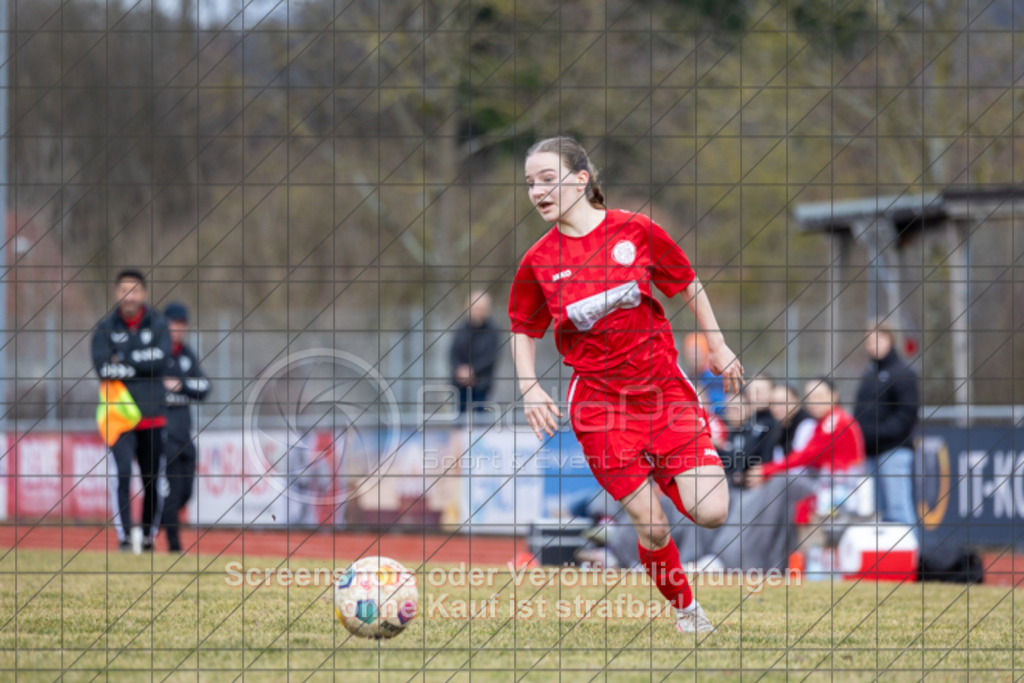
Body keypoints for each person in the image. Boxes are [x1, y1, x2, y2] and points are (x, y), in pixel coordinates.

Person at [508, 136, 744, 635]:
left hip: (665, 395)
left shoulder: (635, 230)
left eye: (547, 179)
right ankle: (688, 612)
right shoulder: (538, 261)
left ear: (581, 179)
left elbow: (686, 281)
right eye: (530, 183)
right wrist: (530, 388)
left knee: (713, 511)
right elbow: (523, 329)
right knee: (653, 526)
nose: (537, 192)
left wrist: (718, 345)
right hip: (600, 408)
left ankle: (661, 470)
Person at [91, 269, 171, 553]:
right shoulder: (105, 328)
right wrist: (142, 363)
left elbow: (161, 360)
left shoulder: (158, 323)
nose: (129, 296)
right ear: (117, 293)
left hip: (152, 416)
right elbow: (102, 368)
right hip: (120, 418)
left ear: (143, 293)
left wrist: (124, 360)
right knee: (122, 474)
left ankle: (148, 537)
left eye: (134, 290)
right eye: (124, 290)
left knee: (152, 479)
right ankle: (125, 539)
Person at [853, 321, 919, 527]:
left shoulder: (903, 373)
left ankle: (909, 548)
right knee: (874, 514)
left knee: (898, 511)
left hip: (894, 452)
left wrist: (876, 434)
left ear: (890, 340)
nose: (873, 345)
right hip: (868, 455)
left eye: (878, 339)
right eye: (869, 341)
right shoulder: (868, 374)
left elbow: (906, 415)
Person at [746, 377, 865, 485]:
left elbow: (807, 455)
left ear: (833, 396)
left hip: (842, 484)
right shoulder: (824, 421)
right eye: (810, 397)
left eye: (818, 396)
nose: (813, 402)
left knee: (781, 483)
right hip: (832, 481)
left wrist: (768, 470)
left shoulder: (834, 421)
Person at [160, 302, 210, 553]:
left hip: (184, 435)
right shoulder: (156, 354)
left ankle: (157, 519)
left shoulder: (187, 354)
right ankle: (174, 547)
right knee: (173, 491)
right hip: (163, 435)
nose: (178, 329)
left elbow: (205, 387)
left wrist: (181, 385)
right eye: (174, 324)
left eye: (182, 324)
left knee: (186, 492)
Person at [449, 289, 501, 414]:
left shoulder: (493, 331)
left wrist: (472, 371)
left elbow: (490, 357)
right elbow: (452, 354)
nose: (479, 312)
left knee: (480, 419)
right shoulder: (460, 329)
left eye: (482, 308)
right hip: (459, 385)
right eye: (476, 308)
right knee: (458, 418)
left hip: (481, 385)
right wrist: (460, 370)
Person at [766, 382, 817, 463]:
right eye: (772, 403)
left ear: (797, 401)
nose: (777, 408)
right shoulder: (779, 427)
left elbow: (800, 461)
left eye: (782, 402)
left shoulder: (808, 425)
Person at [681, 332, 726, 415]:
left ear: (705, 352)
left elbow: (721, 404)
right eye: (689, 353)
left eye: (697, 352)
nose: (693, 356)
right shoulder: (687, 377)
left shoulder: (715, 376)